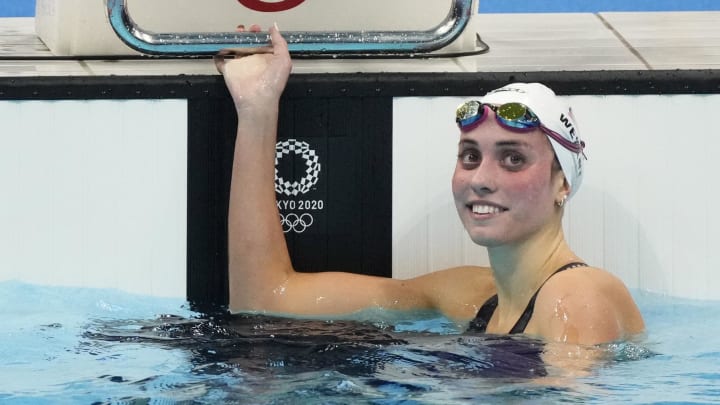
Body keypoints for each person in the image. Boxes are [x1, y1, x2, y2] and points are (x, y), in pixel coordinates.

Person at [216, 25, 644, 346]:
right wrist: (256, 107)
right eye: (470, 156)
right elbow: (265, 300)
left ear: (562, 184)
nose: (481, 179)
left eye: (513, 159)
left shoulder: (577, 297)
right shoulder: (470, 296)